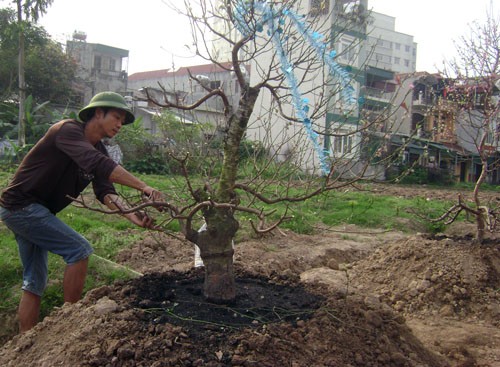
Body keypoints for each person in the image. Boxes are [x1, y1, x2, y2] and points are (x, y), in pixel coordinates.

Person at [0, 91, 165, 332]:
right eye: (116, 117)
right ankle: (70, 320)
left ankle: (27, 343)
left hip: (30, 211)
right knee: (79, 250)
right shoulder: (67, 131)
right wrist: (144, 186)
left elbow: (106, 192)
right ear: (98, 113)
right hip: (22, 206)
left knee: (34, 281)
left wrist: (134, 215)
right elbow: (100, 165)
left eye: (122, 121)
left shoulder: (100, 150)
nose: (120, 125)